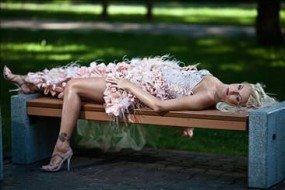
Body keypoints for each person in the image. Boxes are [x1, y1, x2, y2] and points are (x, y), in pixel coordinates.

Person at [3, 56, 276, 172]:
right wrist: (185, 122)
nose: (232, 90)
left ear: (235, 105)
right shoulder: (216, 85)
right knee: (84, 73)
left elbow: (159, 106)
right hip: (138, 73)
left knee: (75, 87)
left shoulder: (207, 96)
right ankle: (29, 81)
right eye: (239, 86)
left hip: (136, 88)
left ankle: (62, 146)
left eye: (236, 97)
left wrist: (129, 85)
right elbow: (181, 88)